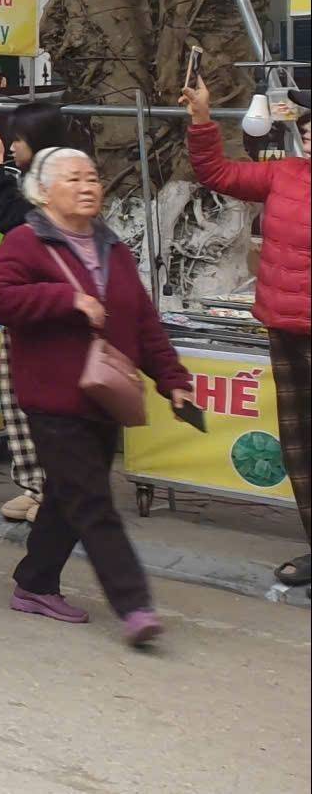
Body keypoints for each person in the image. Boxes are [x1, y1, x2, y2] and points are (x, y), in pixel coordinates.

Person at [0, 146, 195, 645]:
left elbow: (142, 321)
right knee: (94, 500)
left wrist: (174, 381)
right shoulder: (25, 241)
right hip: (51, 395)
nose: (87, 186)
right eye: (74, 178)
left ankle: (34, 583)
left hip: (105, 391)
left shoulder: (111, 246)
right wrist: (66, 300)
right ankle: (134, 604)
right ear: (44, 190)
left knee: (67, 494)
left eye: (93, 177)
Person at [183, 72, 309, 588]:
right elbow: (218, 174)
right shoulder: (287, 174)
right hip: (284, 327)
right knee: (300, 442)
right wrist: (201, 118)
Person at [0, 101, 81, 522]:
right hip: (27, 308)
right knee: (17, 399)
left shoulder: (56, 183)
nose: (12, 147)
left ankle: (54, 490)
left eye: (17, 140)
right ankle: (34, 484)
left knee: (42, 404)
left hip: (50, 311)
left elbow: (10, 219)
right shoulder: (35, 178)